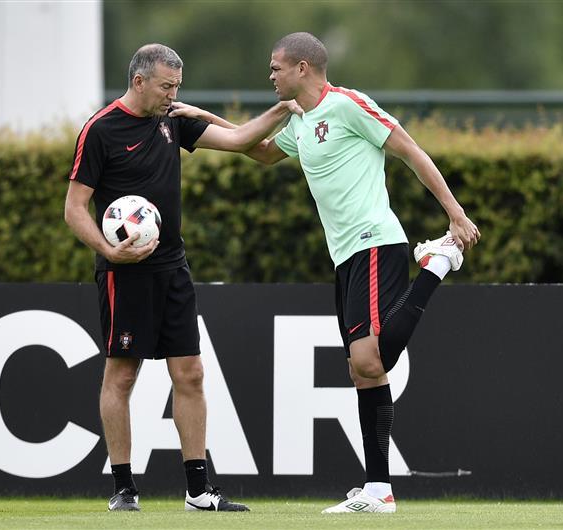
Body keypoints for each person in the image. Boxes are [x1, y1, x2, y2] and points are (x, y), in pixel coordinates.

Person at [171, 32, 480, 514]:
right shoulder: (300, 120)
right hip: (345, 259)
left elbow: (411, 152)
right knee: (364, 371)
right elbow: (258, 151)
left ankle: (436, 265)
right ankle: (378, 491)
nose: (270, 75)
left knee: (371, 360)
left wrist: (456, 215)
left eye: (276, 67)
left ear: (302, 69)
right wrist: (205, 119)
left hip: (376, 241)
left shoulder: (349, 105)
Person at [64, 43, 295, 513]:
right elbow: (73, 209)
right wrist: (111, 251)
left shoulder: (174, 119)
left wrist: (285, 109)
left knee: (189, 373)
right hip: (124, 274)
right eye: (167, 86)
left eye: (178, 86)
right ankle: (124, 489)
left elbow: (241, 141)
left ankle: (198, 491)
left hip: (173, 270)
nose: (173, 94)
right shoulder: (100, 130)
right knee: (122, 376)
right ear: (139, 82)